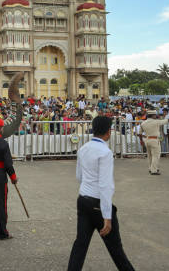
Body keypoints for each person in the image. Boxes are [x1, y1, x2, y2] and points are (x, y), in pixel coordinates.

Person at [67, 116, 135, 271]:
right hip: (98, 203)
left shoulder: (83, 148)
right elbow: (105, 185)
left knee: (81, 244)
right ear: (109, 132)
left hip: (83, 199)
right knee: (115, 248)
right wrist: (107, 216)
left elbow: (79, 176)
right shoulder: (105, 152)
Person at [139, 110, 168, 175]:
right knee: (156, 156)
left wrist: (141, 140)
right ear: (153, 115)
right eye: (155, 115)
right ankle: (154, 170)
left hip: (147, 140)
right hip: (154, 140)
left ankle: (150, 168)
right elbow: (166, 121)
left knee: (150, 156)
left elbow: (140, 133)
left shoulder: (143, 123)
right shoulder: (156, 122)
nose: (156, 116)